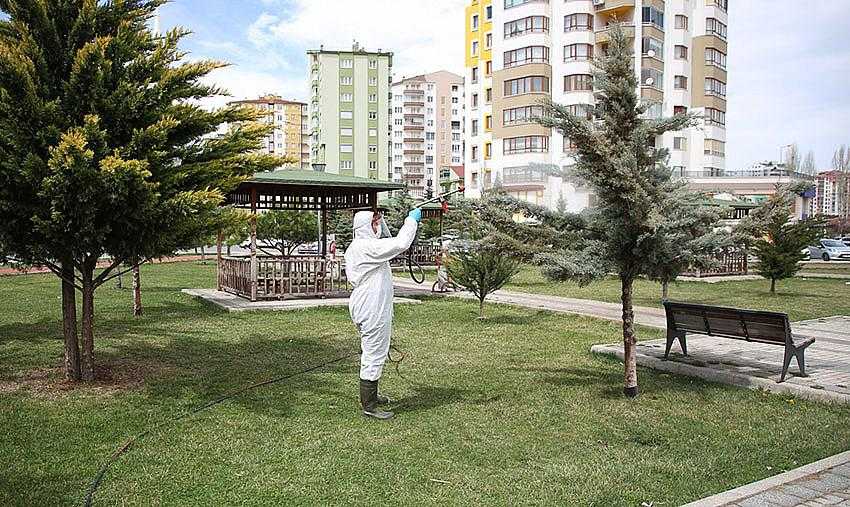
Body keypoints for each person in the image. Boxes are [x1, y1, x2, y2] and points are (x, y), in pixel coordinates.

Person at [345, 208, 421, 420]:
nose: (378, 227)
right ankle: (369, 406)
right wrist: (411, 220)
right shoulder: (366, 247)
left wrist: (387, 221)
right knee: (373, 354)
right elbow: (400, 243)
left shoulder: (362, 245)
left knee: (374, 350)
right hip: (371, 307)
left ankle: (373, 396)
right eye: (375, 223)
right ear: (365, 227)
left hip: (368, 304)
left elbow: (388, 240)